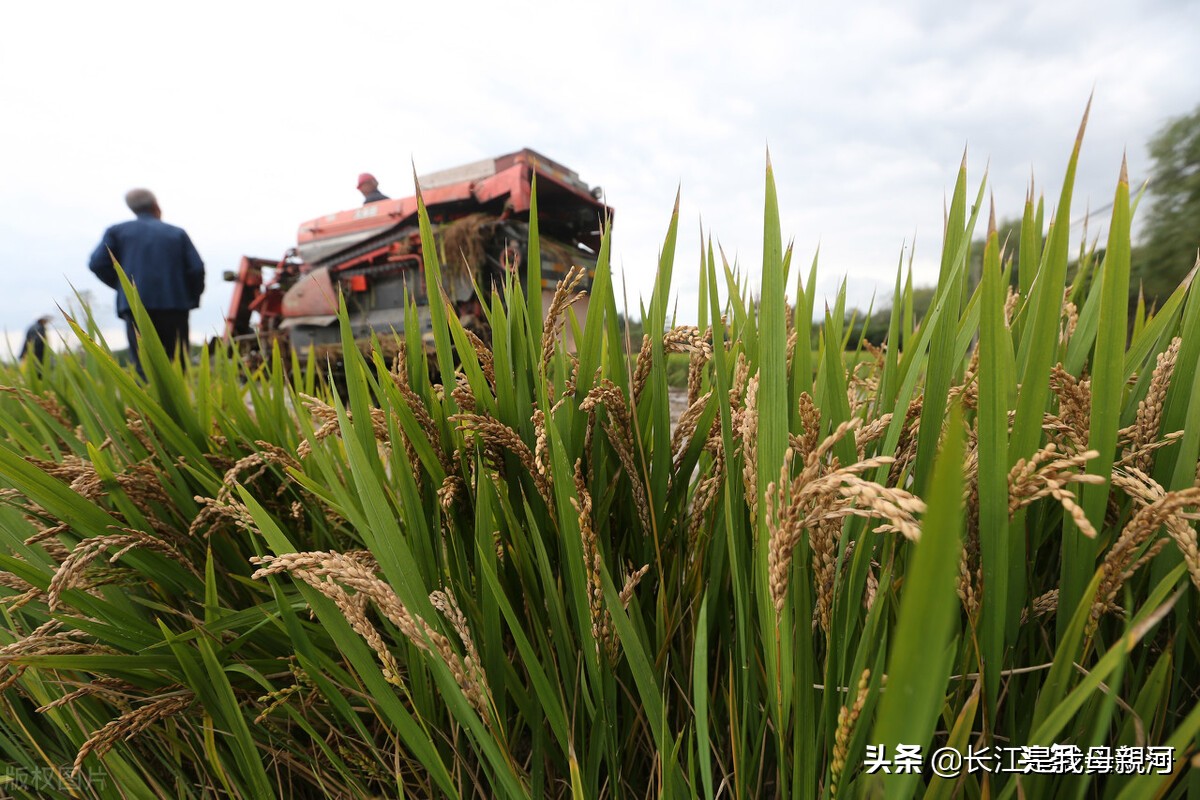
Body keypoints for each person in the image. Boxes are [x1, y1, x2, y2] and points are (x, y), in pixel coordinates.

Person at [88, 188, 205, 376]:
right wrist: (191, 298)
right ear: (156, 206)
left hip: (135, 306)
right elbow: (196, 269)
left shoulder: (117, 232)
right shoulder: (177, 234)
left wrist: (123, 287)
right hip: (175, 306)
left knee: (145, 366)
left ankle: (146, 403)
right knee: (177, 364)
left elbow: (97, 264)